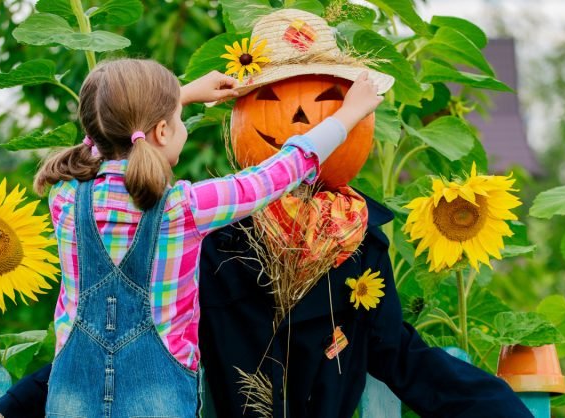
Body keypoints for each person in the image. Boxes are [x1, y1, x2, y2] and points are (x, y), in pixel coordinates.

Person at [26, 58, 381, 418]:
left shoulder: (65, 198)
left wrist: (177, 97)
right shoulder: (184, 209)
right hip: (159, 403)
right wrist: (346, 115)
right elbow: (278, 171)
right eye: (178, 121)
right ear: (162, 131)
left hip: (69, 400)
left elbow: (115, 129)